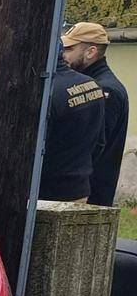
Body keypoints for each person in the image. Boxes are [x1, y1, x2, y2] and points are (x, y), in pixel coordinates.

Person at [63, 22, 128, 206]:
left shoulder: (104, 90)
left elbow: (93, 147)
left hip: (90, 196)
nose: (63, 55)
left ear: (90, 52)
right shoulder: (95, 84)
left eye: (69, 49)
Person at [41, 43, 110, 203]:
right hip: (79, 189)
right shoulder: (92, 84)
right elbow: (100, 142)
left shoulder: (46, 91)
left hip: (47, 194)